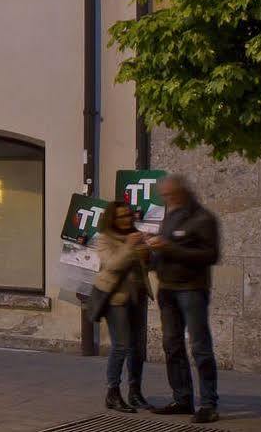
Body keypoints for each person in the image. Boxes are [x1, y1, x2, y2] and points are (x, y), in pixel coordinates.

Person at [147, 174, 222, 423]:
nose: (166, 199)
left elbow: (210, 255)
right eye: (164, 196)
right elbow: (163, 250)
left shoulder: (203, 218)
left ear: (182, 192)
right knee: (172, 345)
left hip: (191, 289)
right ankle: (182, 398)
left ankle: (209, 404)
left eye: (170, 195)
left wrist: (168, 248)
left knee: (200, 346)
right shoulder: (171, 216)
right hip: (167, 289)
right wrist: (149, 254)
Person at [93, 200, 151, 411]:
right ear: (112, 219)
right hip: (116, 299)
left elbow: (144, 265)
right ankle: (112, 393)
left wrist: (148, 252)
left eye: (128, 215)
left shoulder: (135, 236)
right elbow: (113, 265)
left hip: (138, 296)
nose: (127, 219)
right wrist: (130, 245)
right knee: (121, 345)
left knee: (137, 348)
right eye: (121, 216)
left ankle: (135, 392)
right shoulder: (104, 239)